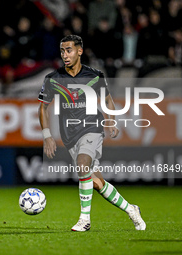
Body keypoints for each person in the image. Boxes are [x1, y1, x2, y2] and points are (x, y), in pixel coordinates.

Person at [38, 35, 146, 232]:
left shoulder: (94, 75)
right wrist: (47, 135)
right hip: (69, 135)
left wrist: (111, 121)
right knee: (96, 182)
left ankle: (84, 220)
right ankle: (131, 209)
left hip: (92, 127)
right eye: (62, 51)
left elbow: (108, 100)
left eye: (69, 50)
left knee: (82, 165)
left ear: (80, 51)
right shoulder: (53, 79)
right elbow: (43, 108)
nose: (65, 55)